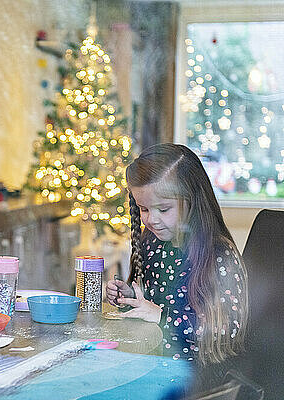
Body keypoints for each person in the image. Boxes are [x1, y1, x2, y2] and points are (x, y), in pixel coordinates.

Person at [106, 143, 248, 365]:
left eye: (164, 209)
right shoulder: (152, 241)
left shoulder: (219, 254)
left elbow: (225, 331)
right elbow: (155, 301)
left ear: (192, 201)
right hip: (153, 359)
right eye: (144, 209)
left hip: (196, 374)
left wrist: (161, 317)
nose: (152, 219)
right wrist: (132, 298)